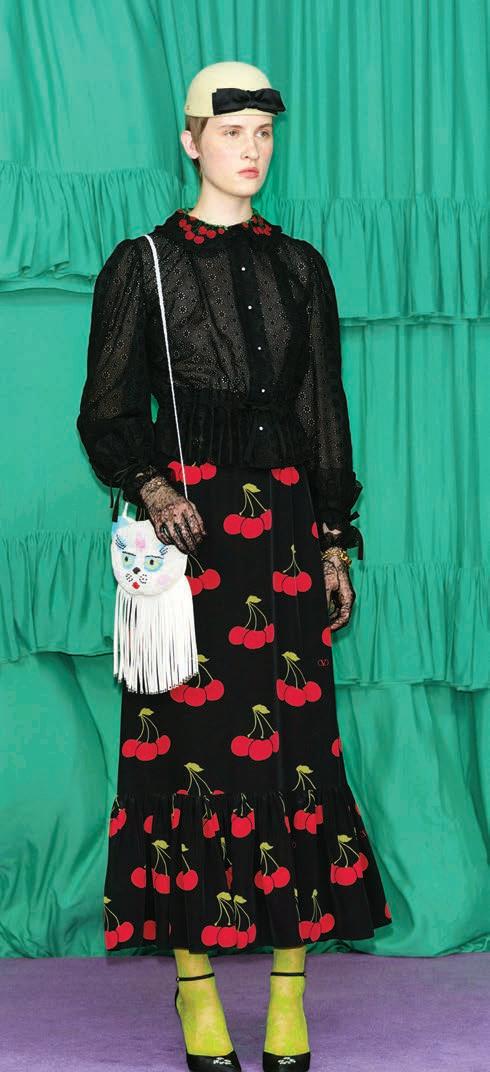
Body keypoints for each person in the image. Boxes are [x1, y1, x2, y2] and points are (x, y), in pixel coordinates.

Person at [77, 60, 392, 1072]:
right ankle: (196, 990)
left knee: (297, 747)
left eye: (263, 132)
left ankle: (290, 993)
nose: (250, 149)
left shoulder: (301, 265)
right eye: (230, 130)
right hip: (186, 543)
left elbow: (323, 412)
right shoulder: (143, 263)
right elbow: (106, 409)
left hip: (286, 537)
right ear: (190, 140)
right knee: (185, 754)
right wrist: (153, 488)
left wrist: (335, 537)